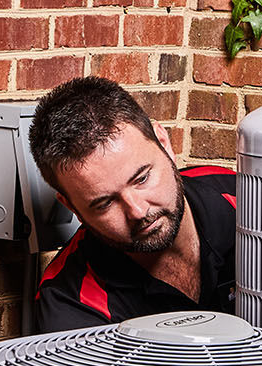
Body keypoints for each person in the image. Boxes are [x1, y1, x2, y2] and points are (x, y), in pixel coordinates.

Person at [28, 77, 238, 333]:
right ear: (73, 207)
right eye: (105, 203)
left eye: (141, 178)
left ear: (164, 143)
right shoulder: (69, 301)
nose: (138, 212)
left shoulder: (243, 198)